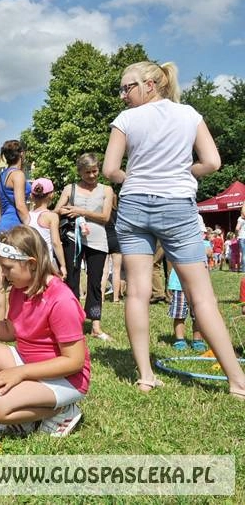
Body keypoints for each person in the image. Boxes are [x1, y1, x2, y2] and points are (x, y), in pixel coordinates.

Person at [102, 60, 245, 399]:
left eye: (128, 87)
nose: (123, 95)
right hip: (177, 206)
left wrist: (131, 178)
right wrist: (185, 172)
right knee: (203, 296)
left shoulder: (126, 120)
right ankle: (238, 382)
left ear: (150, 85)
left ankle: (146, 375)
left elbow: (110, 169)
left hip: (135, 205)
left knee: (136, 292)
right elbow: (212, 162)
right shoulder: (189, 115)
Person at [0, 225, 90, 438]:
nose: (3, 274)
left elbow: (74, 362)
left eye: (8, 267)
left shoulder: (61, 300)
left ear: (31, 264)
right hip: (30, 362)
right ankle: (25, 415)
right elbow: (10, 331)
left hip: (65, 379)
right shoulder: (21, 289)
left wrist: (19, 373)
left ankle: (62, 410)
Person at [54, 153, 114, 341]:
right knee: (71, 280)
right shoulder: (69, 188)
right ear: (80, 171)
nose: (92, 176)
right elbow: (56, 210)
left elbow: (105, 217)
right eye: (87, 172)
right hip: (73, 238)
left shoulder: (106, 190)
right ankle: (72, 322)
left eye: (95, 171)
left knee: (95, 283)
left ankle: (95, 325)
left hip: (98, 241)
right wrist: (66, 210)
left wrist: (81, 211)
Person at [28, 178, 67, 279]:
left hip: (29, 262)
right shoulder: (51, 216)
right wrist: (63, 265)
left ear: (32, 196)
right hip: (46, 262)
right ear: (51, 195)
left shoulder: (27, 216)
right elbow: (55, 242)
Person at [167, 268, 206, 352]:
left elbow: (209, 254)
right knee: (179, 315)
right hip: (179, 286)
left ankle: (197, 340)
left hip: (198, 285)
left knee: (198, 315)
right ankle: (179, 340)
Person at [0, 139, 30, 233]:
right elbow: (20, 206)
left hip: (3, 225)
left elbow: (0, 206)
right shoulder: (18, 174)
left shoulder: (1, 177)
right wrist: (31, 225)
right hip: (15, 227)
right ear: (22, 154)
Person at [99, 194, 124, 303]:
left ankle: (102, 297)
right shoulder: (119, 213)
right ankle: (116, 298)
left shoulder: (101, 213)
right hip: (117, 241)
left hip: (104, 240)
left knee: (104, 271)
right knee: (116, 271)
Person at [236, 206, 245, 272]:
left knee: (243, 254)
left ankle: (244, 269)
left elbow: (237, 228)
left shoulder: (240, 219)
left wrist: (236, 235)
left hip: (242, 237)